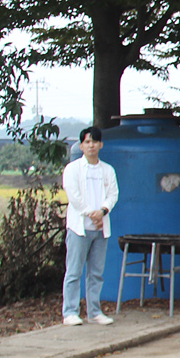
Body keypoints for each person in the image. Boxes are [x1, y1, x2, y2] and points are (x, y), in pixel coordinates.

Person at [60, 126, 119, 326]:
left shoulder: (107, 170)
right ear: (81, 145)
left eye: (94, 142)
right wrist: (89, 213)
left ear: (100, 145)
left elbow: (113, 194)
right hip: (79, 227)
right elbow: (73, 195)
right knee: (74, 271)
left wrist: (102, 211)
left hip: (101, 228)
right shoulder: (73, 169)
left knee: (96, 273)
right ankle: (70, 312)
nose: (91, 145)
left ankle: (94, 311)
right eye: (87, 142)